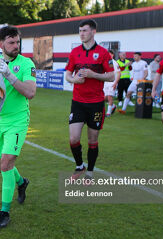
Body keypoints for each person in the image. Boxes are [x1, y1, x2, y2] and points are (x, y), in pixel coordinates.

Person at [0, 26, 36, 229]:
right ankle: (22, 182)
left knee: (6, 164)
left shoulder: (26, 63)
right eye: (11, 42)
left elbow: (30, 92)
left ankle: (4, 212)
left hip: (17, 121)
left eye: (17, 42)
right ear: (1, 45)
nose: (16, 46)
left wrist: (9, 75)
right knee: (1, 167)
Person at [65, 19, 114, 180]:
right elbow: (67, 74)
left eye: (84, 31)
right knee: (73, 139)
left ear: (93, 32)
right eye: (80, 31)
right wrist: (74, 80)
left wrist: (94, 75)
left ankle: (90, 172)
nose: (81, 34)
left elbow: (112, 75)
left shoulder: (103, 53)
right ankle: (79, 165)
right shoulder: (75, 52)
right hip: (78, 102)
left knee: (93, 140)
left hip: (96, 104)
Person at [104, 50, 120, 117]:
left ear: (113, 55)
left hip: (112, 82)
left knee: (110, 97)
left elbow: (119, 73)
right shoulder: (104, 62)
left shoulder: (114, 63)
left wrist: (115, 83)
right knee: (104, 98)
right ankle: (113, 106)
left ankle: (108, 113)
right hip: (105, 82)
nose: (109, 55)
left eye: (110, 54)